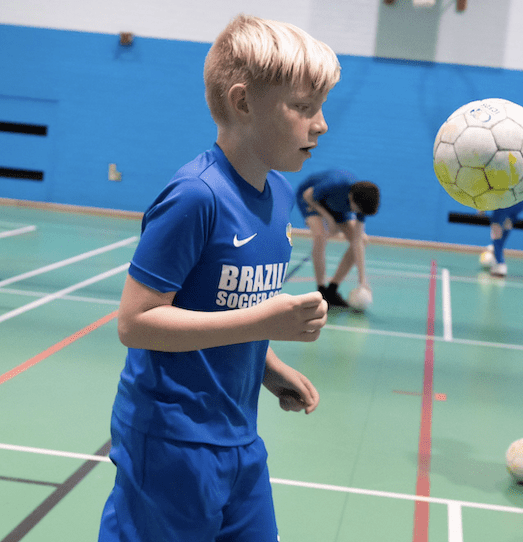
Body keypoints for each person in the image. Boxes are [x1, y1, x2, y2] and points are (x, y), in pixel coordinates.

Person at [97, 15, 340, 542]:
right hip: (170, 439)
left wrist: (269, 366)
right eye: (302, 107)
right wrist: (264, 321)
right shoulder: (196, 196)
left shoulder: (278, 196)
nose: (320, 124)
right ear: (243, 102)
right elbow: (136, 322)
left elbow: (216, 307)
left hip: (238, 436)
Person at [296, 169, 380, 307]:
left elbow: (357, 240)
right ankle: (321, 290)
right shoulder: (334, 184)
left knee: (362, 240)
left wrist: (362, 279)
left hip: (336, 206)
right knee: (320, 235)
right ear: (351, 198)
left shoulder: (361, 203)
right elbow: (307, 195)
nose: (357, 214)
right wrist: (329, 219)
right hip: (311, 199)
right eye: (356, 210)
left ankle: (332, 290)